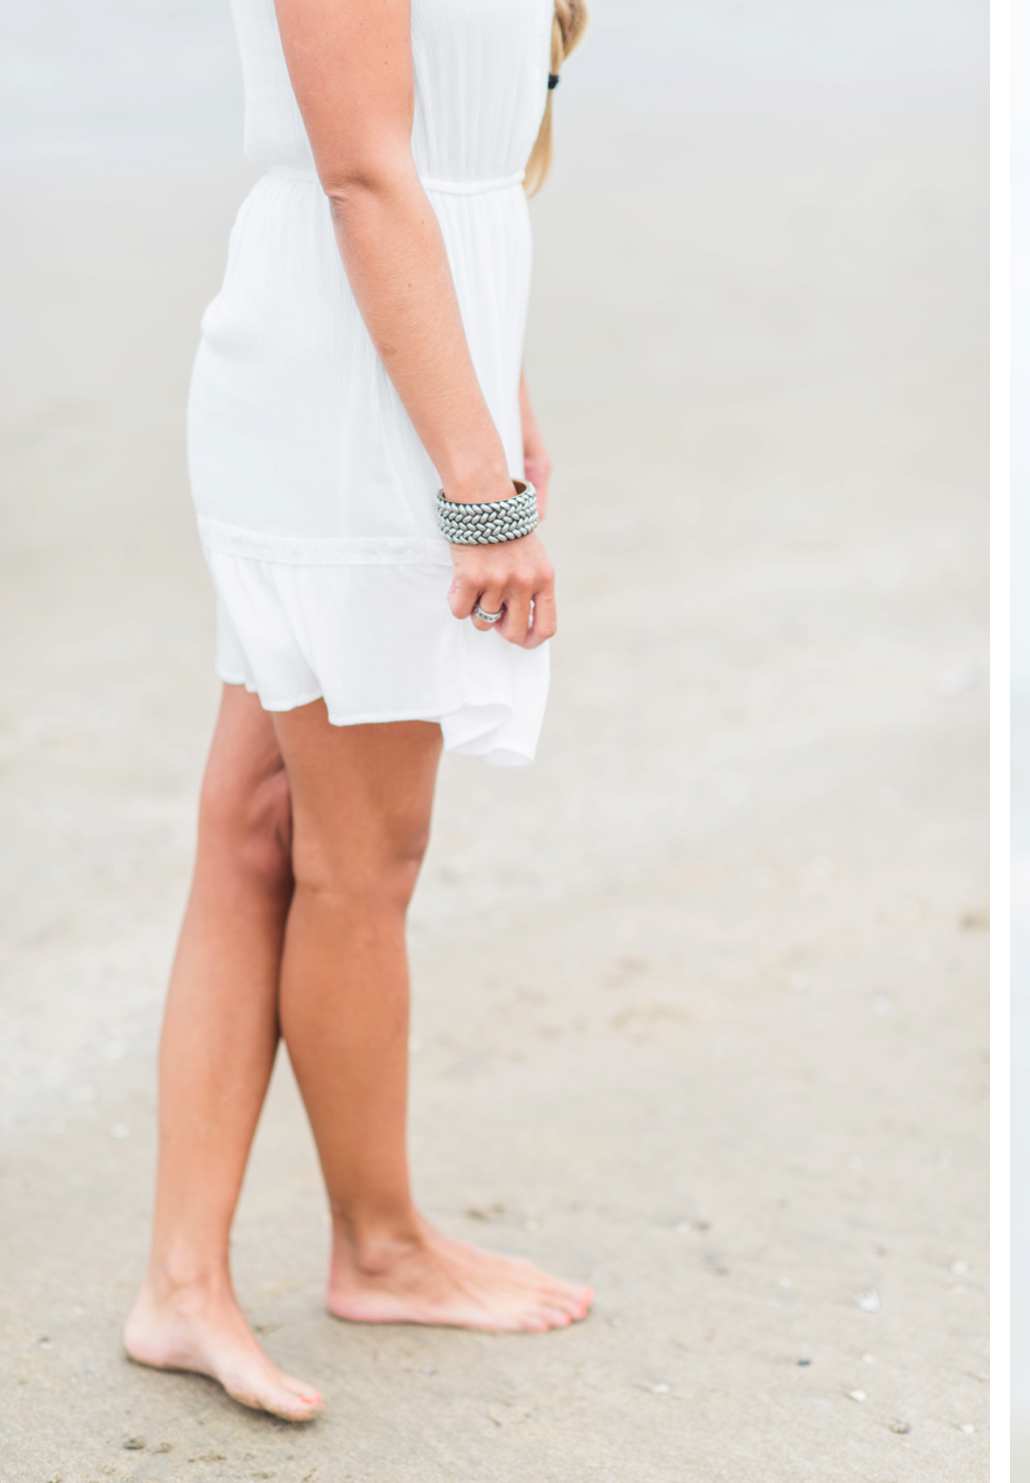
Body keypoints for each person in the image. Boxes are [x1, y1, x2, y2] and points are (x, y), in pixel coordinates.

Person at [121, 0, 594, 1423]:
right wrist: (479, 483)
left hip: (370, 361)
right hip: (345, 397)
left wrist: (493, 384)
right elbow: (366, 172)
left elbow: (457, 159)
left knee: (259, 822)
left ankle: (184, 1282)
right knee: (358, 855)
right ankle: (376, 1244)